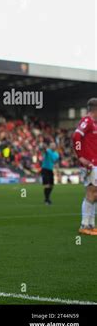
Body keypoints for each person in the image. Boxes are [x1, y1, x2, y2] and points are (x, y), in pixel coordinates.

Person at [72, 98, 97, 235]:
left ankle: (91, 224)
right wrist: (80, 156)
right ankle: (84, 225)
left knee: (95, 194)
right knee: (91, 193)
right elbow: (76, 136)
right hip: (90, 163)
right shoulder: (87, 121)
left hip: (95, 163)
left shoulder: (93, 123)